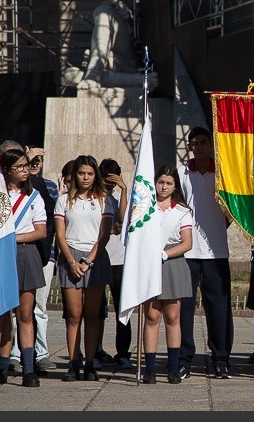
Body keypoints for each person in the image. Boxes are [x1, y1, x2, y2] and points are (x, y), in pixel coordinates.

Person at [178, 126, 234, 379]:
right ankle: (184, 359)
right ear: (190, 146)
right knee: (184, 308)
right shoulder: (181, 173)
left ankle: (221, 358)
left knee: (219, 308)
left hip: (216, 251)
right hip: (187, 251)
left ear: (210, 144)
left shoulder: (223, 172)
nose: (199, 147)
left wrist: (219, 226)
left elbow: (232, 209)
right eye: (195, 143)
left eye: (203, 142)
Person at [54, 154, 114, 382]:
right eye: (81, 173)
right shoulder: (63, 200)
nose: (86, 178)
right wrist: (71, 262)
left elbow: (104, 235)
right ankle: (73, 363)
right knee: (73, 315)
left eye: (90, 174)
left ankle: (90, 363)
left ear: (95, 175)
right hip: (70, 257)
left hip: (95, 257)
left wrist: (88, 261)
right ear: (75, 175)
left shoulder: (104, 200)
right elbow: (60, 234)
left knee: (92, 315)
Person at [0, 149, 49, 387]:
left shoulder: (34, 197)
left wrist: (15, 238)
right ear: (7, 170)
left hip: (26, 253)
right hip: (2, 254)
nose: (24, 171)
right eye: (18, 167)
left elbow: (41, 231)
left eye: (25, 166)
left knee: (25, 314)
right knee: (3, 314)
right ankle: (1, 365)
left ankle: (29, 368)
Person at [141, 165, 194, 384]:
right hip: (149, 264)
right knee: (152, 316)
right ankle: (150, 369)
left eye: (169, 183)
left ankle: (173, 369)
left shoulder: (182, 211)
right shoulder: (145, 207)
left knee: (172, 317)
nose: (164, 187)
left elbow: (187, 243)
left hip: (172, 263)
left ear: (175, 187)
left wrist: (164, 254)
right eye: (160, 182)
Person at [9, 145, 59, 374]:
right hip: (7, 255)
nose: (29, 168)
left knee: (32, 310)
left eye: (32, 164)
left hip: (34, 254)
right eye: (23, 165)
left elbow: (45, 226)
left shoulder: (40, 190)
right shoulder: (0, 190)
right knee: (8, 311)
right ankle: (10, 356)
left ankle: (35, 359)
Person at [98, 158, 133, 369]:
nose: (109, 184)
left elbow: (123, 219)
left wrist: (124, 189)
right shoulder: (95, 198)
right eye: (107, 180)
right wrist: (111, 230)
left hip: (119, 260)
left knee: (122, 307)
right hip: (100, 257)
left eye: (113, 180)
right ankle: (96, 350)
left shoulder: (119, 198)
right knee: (97, 308)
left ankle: (123, 352)